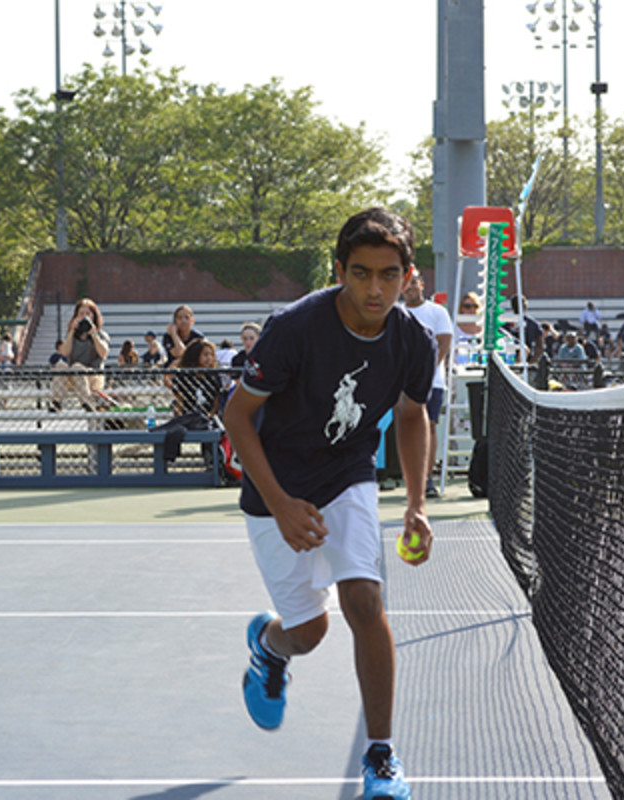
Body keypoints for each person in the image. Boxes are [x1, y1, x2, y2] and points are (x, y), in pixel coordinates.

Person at [222, 207, 434, 800]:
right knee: (309, 632)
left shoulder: (413, 339)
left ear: (407, 275)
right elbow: (237, 416)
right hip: (276, 484)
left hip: (347, 474)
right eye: (361, 273)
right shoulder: (293, 328)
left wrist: (416, 504)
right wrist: (282, 504)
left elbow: (413, 417)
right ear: (340, 270)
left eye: (388, 275)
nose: (375, 288)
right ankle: (268, 647)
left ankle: (382, 757)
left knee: (365, 602)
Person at [401, 267, 454, 498]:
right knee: (404, 428)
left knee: (428, 426)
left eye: (414, 282)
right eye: (406, 283)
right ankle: (410, 478)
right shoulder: (394, 312)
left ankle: (427, 479)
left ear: (422, 284)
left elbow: (444, 343)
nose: (410, 287)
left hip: (432, 383)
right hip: (401, 384)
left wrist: (424, 372)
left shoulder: (437, 312)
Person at [50, 298, 111, 412]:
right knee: (60, 365)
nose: (84, 317)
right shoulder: (72, 336)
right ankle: (56, 403)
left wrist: (94, 334)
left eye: (88, 314)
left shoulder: (101, 335)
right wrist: (72, 331)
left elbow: (103, 353)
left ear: (94, 316)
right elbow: (64, 352)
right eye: (81, 314)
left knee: (77, 367)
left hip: (93, 377)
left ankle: (87, 403)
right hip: (74, 378)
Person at [172, 339, 222, 419]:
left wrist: (209, 417)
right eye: (205, 355)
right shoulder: (183, 377)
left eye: (211, 355)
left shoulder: (213, 376)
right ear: (195, 355)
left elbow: (216, 403)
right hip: (187, 418)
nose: (209, 358)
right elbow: (179, 402)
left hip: (208, 419)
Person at [502, 294, 544, 363]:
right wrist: (531, 362)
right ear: (526, 305)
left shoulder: (505, 323)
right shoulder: (533, 324)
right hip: (519, 360)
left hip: (508, 361)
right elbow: (540, 346)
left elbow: (540, 346)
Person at [163, 304, 204, 369]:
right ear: (175, 321)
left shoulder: (198, 336)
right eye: (179, 318)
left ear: (192, 321)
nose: (183, 321)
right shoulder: (168, 336)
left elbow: (187, 356)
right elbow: (179, 353)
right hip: (173, 371)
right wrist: (174, 334)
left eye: (187, 318)